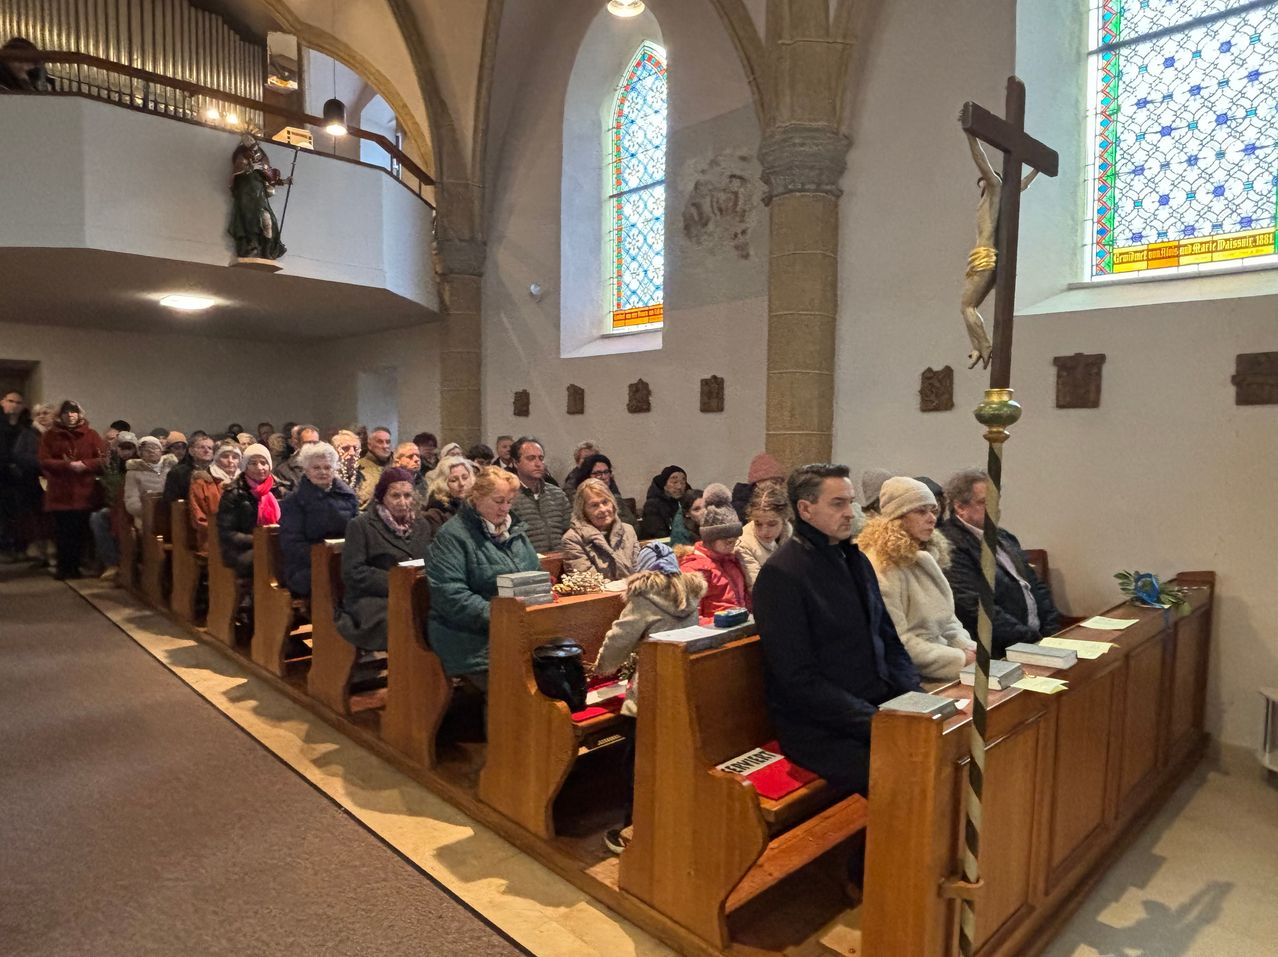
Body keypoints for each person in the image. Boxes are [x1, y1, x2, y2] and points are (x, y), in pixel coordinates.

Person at [753, 464, 922, 797]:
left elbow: (888, 638)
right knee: (907, 775)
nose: (850, 513)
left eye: (851, 502)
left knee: (947, 749)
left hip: (875, 709)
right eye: (838, 503)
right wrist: (874, 721)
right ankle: (880, 850)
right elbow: (798, 680)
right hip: (821, 728)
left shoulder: (855, 559)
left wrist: (914, 697)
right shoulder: (782, 575)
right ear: (805, 509)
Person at [592, 542, 706, 853]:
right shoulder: (690, 594)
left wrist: (602, 668)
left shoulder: (643, 599)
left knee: (637, 765)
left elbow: (618, 640)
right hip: (680, 689)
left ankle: (633, 829)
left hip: (649, 696)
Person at [426, 466, 540, 687]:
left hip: (514, 629)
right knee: (513, 684)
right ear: (477, 497)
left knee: (559, 665)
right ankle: (502, 721)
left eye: (509, 501)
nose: (505, 508)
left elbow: (534, 572)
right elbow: (450, 595)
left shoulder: (514, 531)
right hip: (468, 637)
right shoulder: (452, 537)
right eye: (498, 501)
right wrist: (501, 616)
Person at [856, 477, 975, 681]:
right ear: (898, 517)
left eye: (933, 511)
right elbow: (898, 640)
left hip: (944, 663)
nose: (932, 519)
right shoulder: (882, 564)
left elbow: (947, 619)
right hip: (913, 676)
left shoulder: (925, 555)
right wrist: (959, 659)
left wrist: (969, 649)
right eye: (921, 511)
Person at [939, 468, 1060, 657]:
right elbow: (975, 607)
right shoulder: (949, 544)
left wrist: (1052, 633)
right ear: (960, 507)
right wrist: (1033, 639)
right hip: (996, 651)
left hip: (1036, 643)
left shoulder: (1005, 537)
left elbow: (1035, 587)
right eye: (984, 502)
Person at [335, 467, 433, 651]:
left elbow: (429, 561)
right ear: (382, 497)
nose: (403, 502)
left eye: (407, 495)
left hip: (413, 593)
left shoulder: (422, 525)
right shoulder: (361, 525)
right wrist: (397, 582)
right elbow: (353, 572)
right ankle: (403, 671)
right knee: (402, 617)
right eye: (395, 496)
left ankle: (428, 671)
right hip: (372, 598)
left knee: (439, 616)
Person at [278, 442, 359, 597]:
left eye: (327, 467)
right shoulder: (294, 501)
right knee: (335, 579)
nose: (322, 472)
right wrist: (324, 559)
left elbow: (358, 532)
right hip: (306, 566)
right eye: (316, 468)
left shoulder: (348, 496)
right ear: (306, 471)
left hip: (344, 560)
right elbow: (292, 544)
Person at [38, 400, 108, 579]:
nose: (70, 415)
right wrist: (67, 465)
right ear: (60, 416)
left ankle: (75, 568)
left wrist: (85, 464)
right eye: (66, 412)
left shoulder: (91, 435)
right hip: (61, 492)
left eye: (73, 412)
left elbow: (102, 459)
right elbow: (44, 460)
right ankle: (63, 568)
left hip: (84, 492)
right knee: (62, 532)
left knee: (80, 533)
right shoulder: (50, 436)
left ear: (79, 414)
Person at [679, 483, 751, 616]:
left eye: (735, 540)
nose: (732, 545)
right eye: (727, 541)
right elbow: (691, 619)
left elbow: (746, 600)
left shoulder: (733, 561)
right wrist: (719, 623)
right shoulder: (693, 569)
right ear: (711, 538)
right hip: (715, 632)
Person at [216, 444, 282, 577]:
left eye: (264, 463)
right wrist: (259, 540)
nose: (259, 468)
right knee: (266, 558)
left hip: (273, 542)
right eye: (253, 463)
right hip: (241, 549)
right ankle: (254, 596)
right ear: (245, 467)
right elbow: (227, 533)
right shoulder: (234, 493)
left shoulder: (279, 490)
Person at [560, 478, 640, 581]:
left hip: (634, 593)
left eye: (605, 502)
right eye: (594, 505)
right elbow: (588, 583)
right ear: (583, 510)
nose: (602, 509)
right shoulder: (572, 539)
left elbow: (639, 570)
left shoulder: (628, 530)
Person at [507, 436, 571, 553]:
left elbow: (570, 531)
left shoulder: (557, 494)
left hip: (560, 560)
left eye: (541, 458)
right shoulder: (509, 496)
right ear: (516, 463)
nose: (538, 464)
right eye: (531, 458)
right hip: (528, 564)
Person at [90, 431, 137, 579]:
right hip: (115, 507)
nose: (126, 452)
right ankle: (112, 563)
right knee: (97, 518)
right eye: (122, 448)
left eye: (129, 448)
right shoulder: (111, 465)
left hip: (135, 508)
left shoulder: (139, 465)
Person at [1, 391, 41, 562]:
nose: (14, 405)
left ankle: (20, 547)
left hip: (23, 477)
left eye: (18, 402)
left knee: (20, 514)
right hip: (2, 476)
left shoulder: (28, 426)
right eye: (11, 401)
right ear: (2, 402)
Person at [735, 481, 793, 591]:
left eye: (772, 524)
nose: (764, 532)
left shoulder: (792, 534)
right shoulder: (744, 544)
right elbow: (759, 588)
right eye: (758, 524)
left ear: (785, 518)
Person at [189, 441, 242, 554]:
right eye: (225, 456)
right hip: (214, 540)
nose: (231, 461)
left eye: (235, 457)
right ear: (216, 458)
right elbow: (200, 519)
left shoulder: (245, 482)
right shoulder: (202, 483)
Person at [573, 453, 637, 528]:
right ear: (586, 476)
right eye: (597, 473)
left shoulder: (615, 495)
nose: (603, 477)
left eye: (606, 472)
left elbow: (634, 525)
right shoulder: (580, 499)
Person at [123, 436, 175, 528]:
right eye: (146, 450)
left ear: (161, 450)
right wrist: (148, 510)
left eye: (155, 448)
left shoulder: (172, 467)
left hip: (172, 514)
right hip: (146, 518)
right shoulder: (133, 472)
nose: (151, 452)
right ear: (140, 453)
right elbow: (131, 500)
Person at [422, 454, 476, 534]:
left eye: (465, 477)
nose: (462, 483)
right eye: (454, 480)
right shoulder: (436, 514)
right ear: (442, 483)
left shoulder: (475, 505)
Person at [731, 452, 786, 522]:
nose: (778, 488)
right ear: (758, 482)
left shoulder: (780, 505)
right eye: (774, 483)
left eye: (780, 484)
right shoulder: (738, 511)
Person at [163, 433, 215, 502]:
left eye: (210, 448)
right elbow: (170, 500)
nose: (206, 451)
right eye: (202, 447)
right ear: (191, 451)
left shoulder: (216, 471)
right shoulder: (177, 473)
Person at [641, 465, 687, 540]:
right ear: (664, 485)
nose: (679, 487)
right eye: (674, 482)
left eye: (683, 482)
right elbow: (658, 534)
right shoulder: (652, 505)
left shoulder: (688, 501)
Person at [274, 423, 319, 489]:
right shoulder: (283, 470)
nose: (312, 447)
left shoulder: (327, 467)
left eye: (315, 443)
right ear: (296, 444)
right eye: (307, 443)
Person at [331, 430, 368, 507]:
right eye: (345, 448)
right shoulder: (326, 479)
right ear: (334, 452)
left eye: (355, 448)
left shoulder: (365, 478)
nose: (352, 453)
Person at [358, 427, 394, 503]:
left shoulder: (397, 466)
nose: (385, 446)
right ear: (370, 445)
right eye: (380, 442)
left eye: (388, 442)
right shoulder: (358, 466)